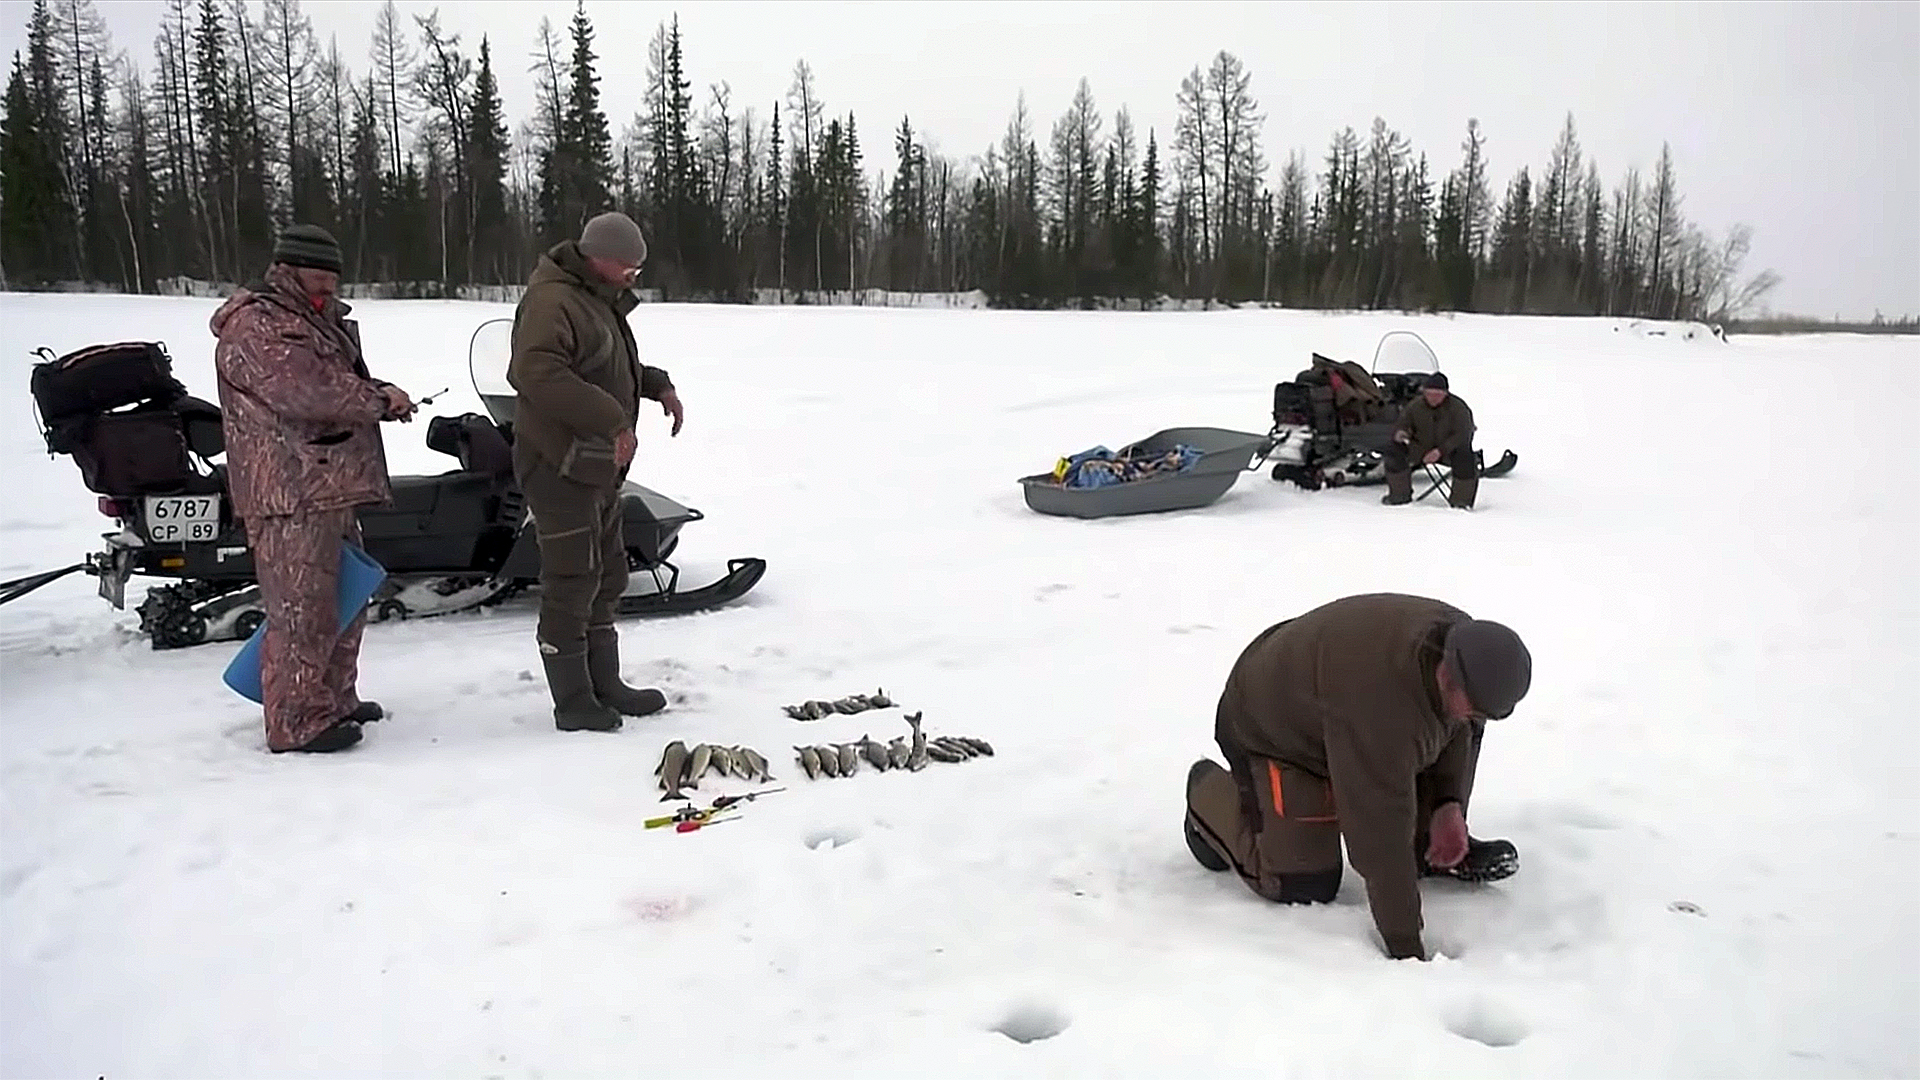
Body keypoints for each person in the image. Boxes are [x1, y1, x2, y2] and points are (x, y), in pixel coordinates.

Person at [1183, 593, 1532, 961]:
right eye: (1475, 708)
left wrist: (1447, 806)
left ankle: (1425, 840)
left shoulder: (1464, 647)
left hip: (1333, 710)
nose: (1475, 717)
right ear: (1448, 675)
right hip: (1269, 729)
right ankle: (1206, 797)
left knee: (1452, 728)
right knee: (1302, 882)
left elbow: (1453, 729)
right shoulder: (1378, 704)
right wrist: (1406, 949)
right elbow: (1378, 833)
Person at [210, 224, 416, 754]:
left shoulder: (321, 320)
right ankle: (297, 720)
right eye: (317, 270)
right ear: (287, 268)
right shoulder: (257, 324)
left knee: (346, 598)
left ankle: (334, 699)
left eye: (333, 272)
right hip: (288, 489)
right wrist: (377, 398)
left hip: (331, 481)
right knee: (301, 608)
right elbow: (305, 390)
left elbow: (331, 388)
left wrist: (378, 402)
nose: (327, 280)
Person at [507, 211, 686, 732]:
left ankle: (604, 682)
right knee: (572, 578)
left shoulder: (594, 299)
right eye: (628, 266)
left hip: (597, 465)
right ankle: (574, 701)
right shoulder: (552, 300)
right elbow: (535, 373)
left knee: (607, 574)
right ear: (598, 258)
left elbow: (607, 364)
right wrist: (611, 420)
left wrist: (657, 385)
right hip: (559, 462)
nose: (634, 275)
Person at [1382, 372, 1477, 508]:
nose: (1433, 398)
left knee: (1466, 457)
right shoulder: (1414, 406)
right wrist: (1401, 433)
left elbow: (1463, 434)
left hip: (1449, 452)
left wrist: (1440, 451)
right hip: (1419, 449)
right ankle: (1399, 496)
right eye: (1429, 394)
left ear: (1446, 394)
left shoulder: (1459, 408)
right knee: (1393, 450)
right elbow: (1402, 423)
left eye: (1437, 395)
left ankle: (1461, 502)